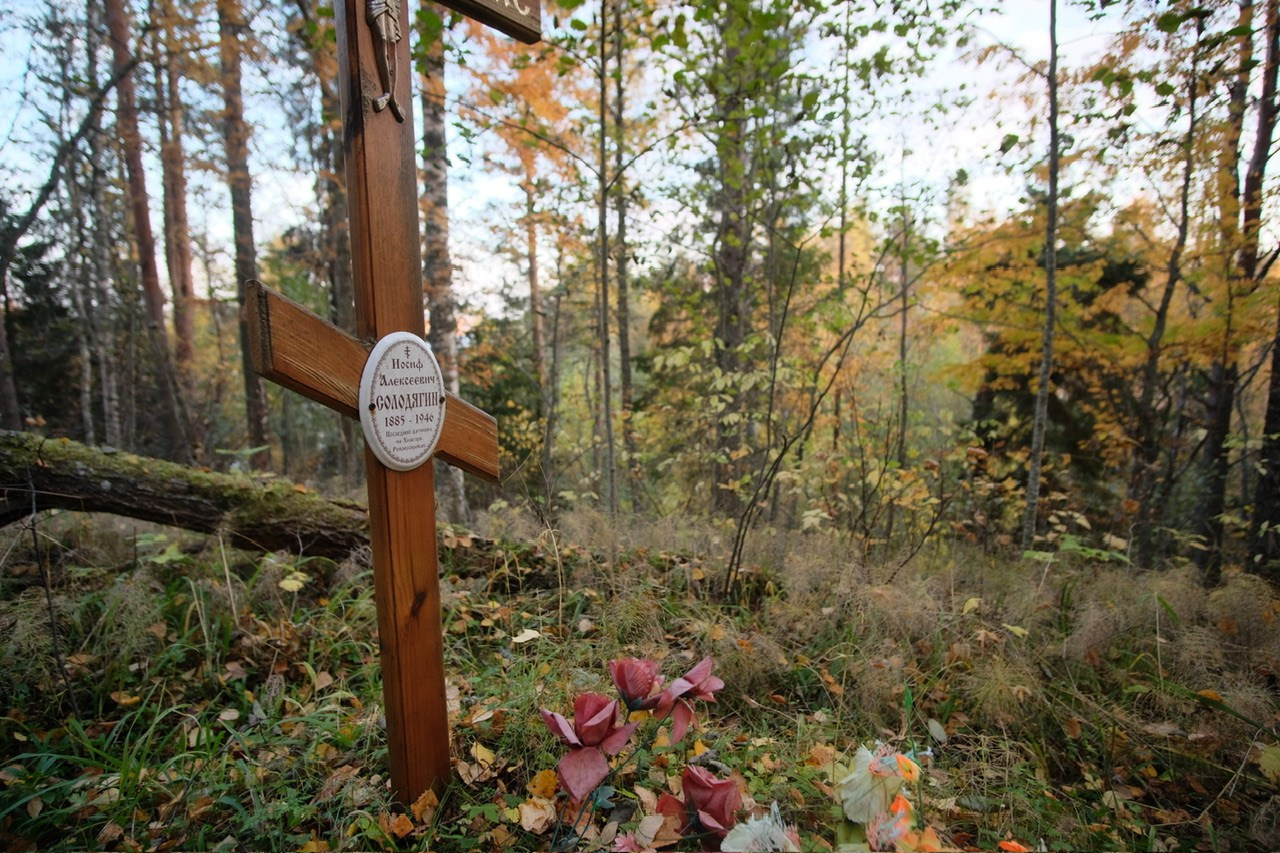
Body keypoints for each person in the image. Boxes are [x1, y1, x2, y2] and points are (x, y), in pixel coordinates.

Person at [367, 0, 404, 121]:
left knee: (392, 42)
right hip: (377, 3)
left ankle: (391, 95)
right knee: (382, 38)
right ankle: (387, 94)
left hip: (391, 4)